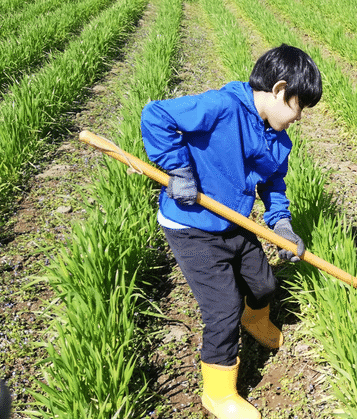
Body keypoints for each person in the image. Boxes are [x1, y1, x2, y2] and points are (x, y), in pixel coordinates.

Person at [141, 44, 322, 419]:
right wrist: (179, 170)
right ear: (278, 90)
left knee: (264, 284)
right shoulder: (221, 107)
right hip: (191, 226)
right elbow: (155, 114)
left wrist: (282, 224)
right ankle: (218, 394)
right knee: (222, 307)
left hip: (233, 222)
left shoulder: (277, 139)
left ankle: (255, 319)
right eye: (298, 105)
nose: (300, 117)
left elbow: (273, 184)